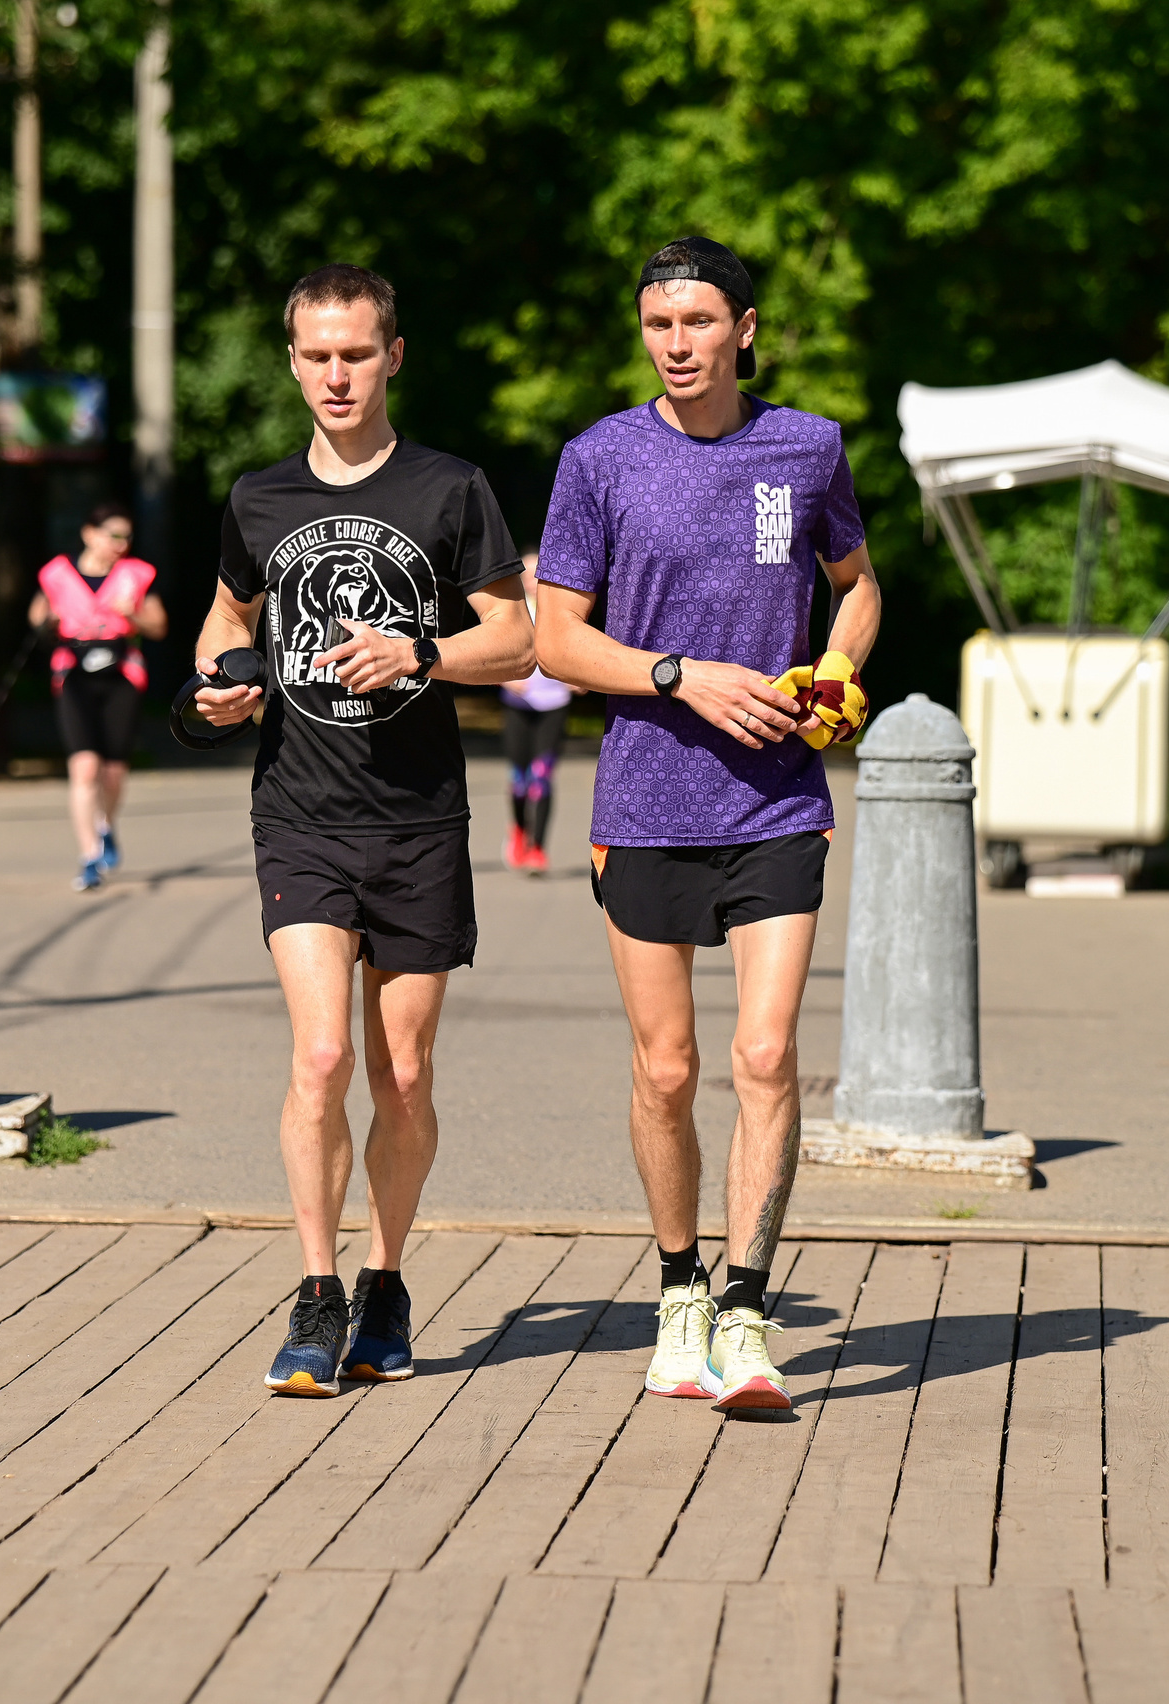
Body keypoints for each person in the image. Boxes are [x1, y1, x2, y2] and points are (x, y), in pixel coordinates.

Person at [533, 237, 881, 1414]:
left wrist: (835, 668)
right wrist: (681, 676)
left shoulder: (808, 445)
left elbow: (860, 582)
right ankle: (677, 1287)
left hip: (777, 797)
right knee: (669, 1069)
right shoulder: (599, 460)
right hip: (644, 800)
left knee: (767, 1055)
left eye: (695, 323)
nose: (675, 345)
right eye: (655, 326)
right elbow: (556, 640)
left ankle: (744, 1308)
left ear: (743, 327)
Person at [189, 263, 534, 1396]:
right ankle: (317, 1291)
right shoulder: (258, 498)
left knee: (401, 1072)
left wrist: (419, 652)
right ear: (290, 361)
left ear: (393, 355)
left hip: (420, 818)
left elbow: (519, 638)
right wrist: (216, 683)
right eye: (315, 355)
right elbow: (229, 613)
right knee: (321, 1055)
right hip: (298, 812)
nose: (335, 375)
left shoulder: (450, 489)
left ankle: (386, 1280)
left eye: (355, 353)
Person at [28, 501, 170, 891]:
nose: (121, 544)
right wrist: (49, 621)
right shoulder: (57, 573)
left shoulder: (137, 575)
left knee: (113, 771)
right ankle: (89, 856)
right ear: (89, 534)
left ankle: (106, 825)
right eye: (114, 535)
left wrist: (133, 615)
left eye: (127, 536)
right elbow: (37, 614)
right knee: (85, 767)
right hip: (73, 673)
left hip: (121, 674)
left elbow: (158, 625)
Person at [498, 549, 575, 875]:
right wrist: (505, 679)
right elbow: (494, 650)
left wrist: (579, 676)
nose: (532, 578)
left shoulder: (558, 611)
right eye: (526, 572)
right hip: (519, 707)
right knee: (519, 781)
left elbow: (576, 647)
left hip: (554, 704)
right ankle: (518, 829)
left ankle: (538, 849)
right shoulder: (512, 612)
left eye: (537, 572)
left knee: (541, 778)